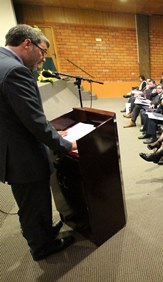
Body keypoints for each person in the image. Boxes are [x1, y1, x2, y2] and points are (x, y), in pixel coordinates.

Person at [0, 24, 77, 261]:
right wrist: (64, 145)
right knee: (33, 201)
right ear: (27, 44)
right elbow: (33, 120)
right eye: (42, 52)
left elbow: (17, 112)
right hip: (22, 153)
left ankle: (42, 231)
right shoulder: (15, 71)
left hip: (9, 144)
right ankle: (42, 246)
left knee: (33, 200)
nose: (43, 58)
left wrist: (51, 131)